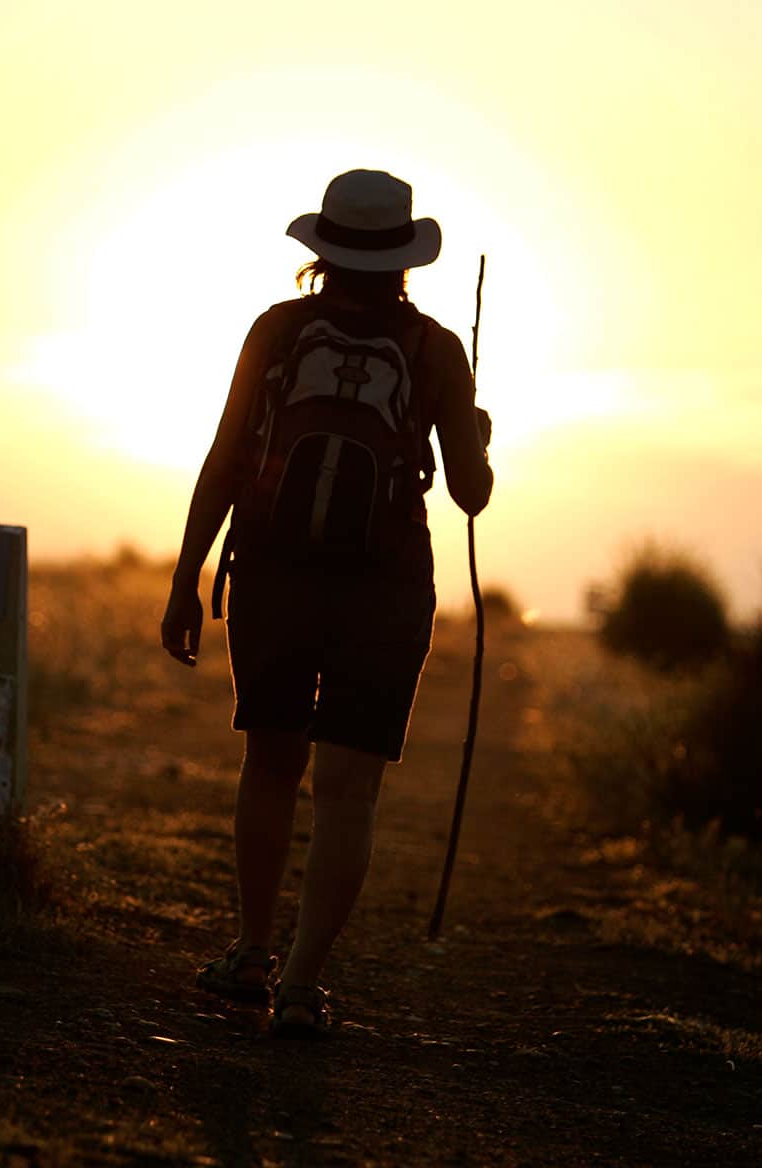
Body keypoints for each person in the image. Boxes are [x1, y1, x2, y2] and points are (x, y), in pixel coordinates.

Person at [161, 168, 493, 1037]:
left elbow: (227, 456)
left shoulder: (276, 331)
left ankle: (250, 952)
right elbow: (470, 495)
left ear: (324, 248)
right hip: (384, 592)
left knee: (270, 765)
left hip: (273, 569)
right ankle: (305, 985)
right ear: (405, 258)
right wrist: (476, 431)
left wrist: (186, 577)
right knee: (350, 792)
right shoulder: (436, 352)